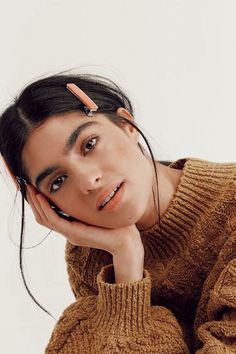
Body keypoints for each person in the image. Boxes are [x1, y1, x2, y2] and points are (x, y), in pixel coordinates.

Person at [0, 72, 235, 354]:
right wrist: (126, 260)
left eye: (89, 145)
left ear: (127, 124)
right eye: (58, 181)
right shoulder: (92, 257)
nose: (88, 181)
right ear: (46, 203)